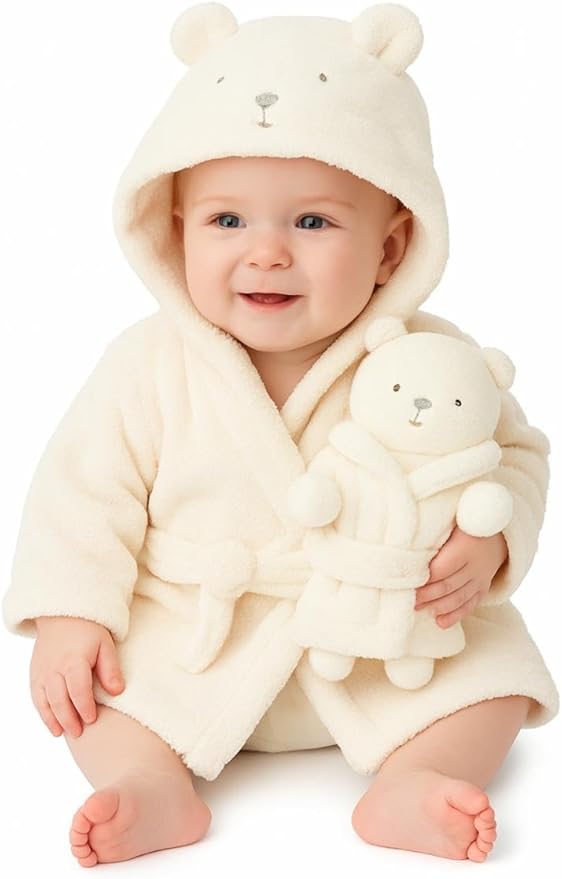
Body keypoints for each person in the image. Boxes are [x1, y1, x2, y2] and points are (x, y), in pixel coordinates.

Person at [2, 1, 559, 868]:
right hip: (197, 639)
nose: (266, 253)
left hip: (388, 638)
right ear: (175, 229)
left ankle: (417, 777)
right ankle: (149, 783)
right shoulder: (149, 362)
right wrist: (72, 613)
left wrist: (492, 542)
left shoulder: (430, 354)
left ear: (391, 248)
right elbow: (80, 490)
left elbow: (517, 452)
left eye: (312, 222)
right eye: (227, 221)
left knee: (497, 681)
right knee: (95, 692)